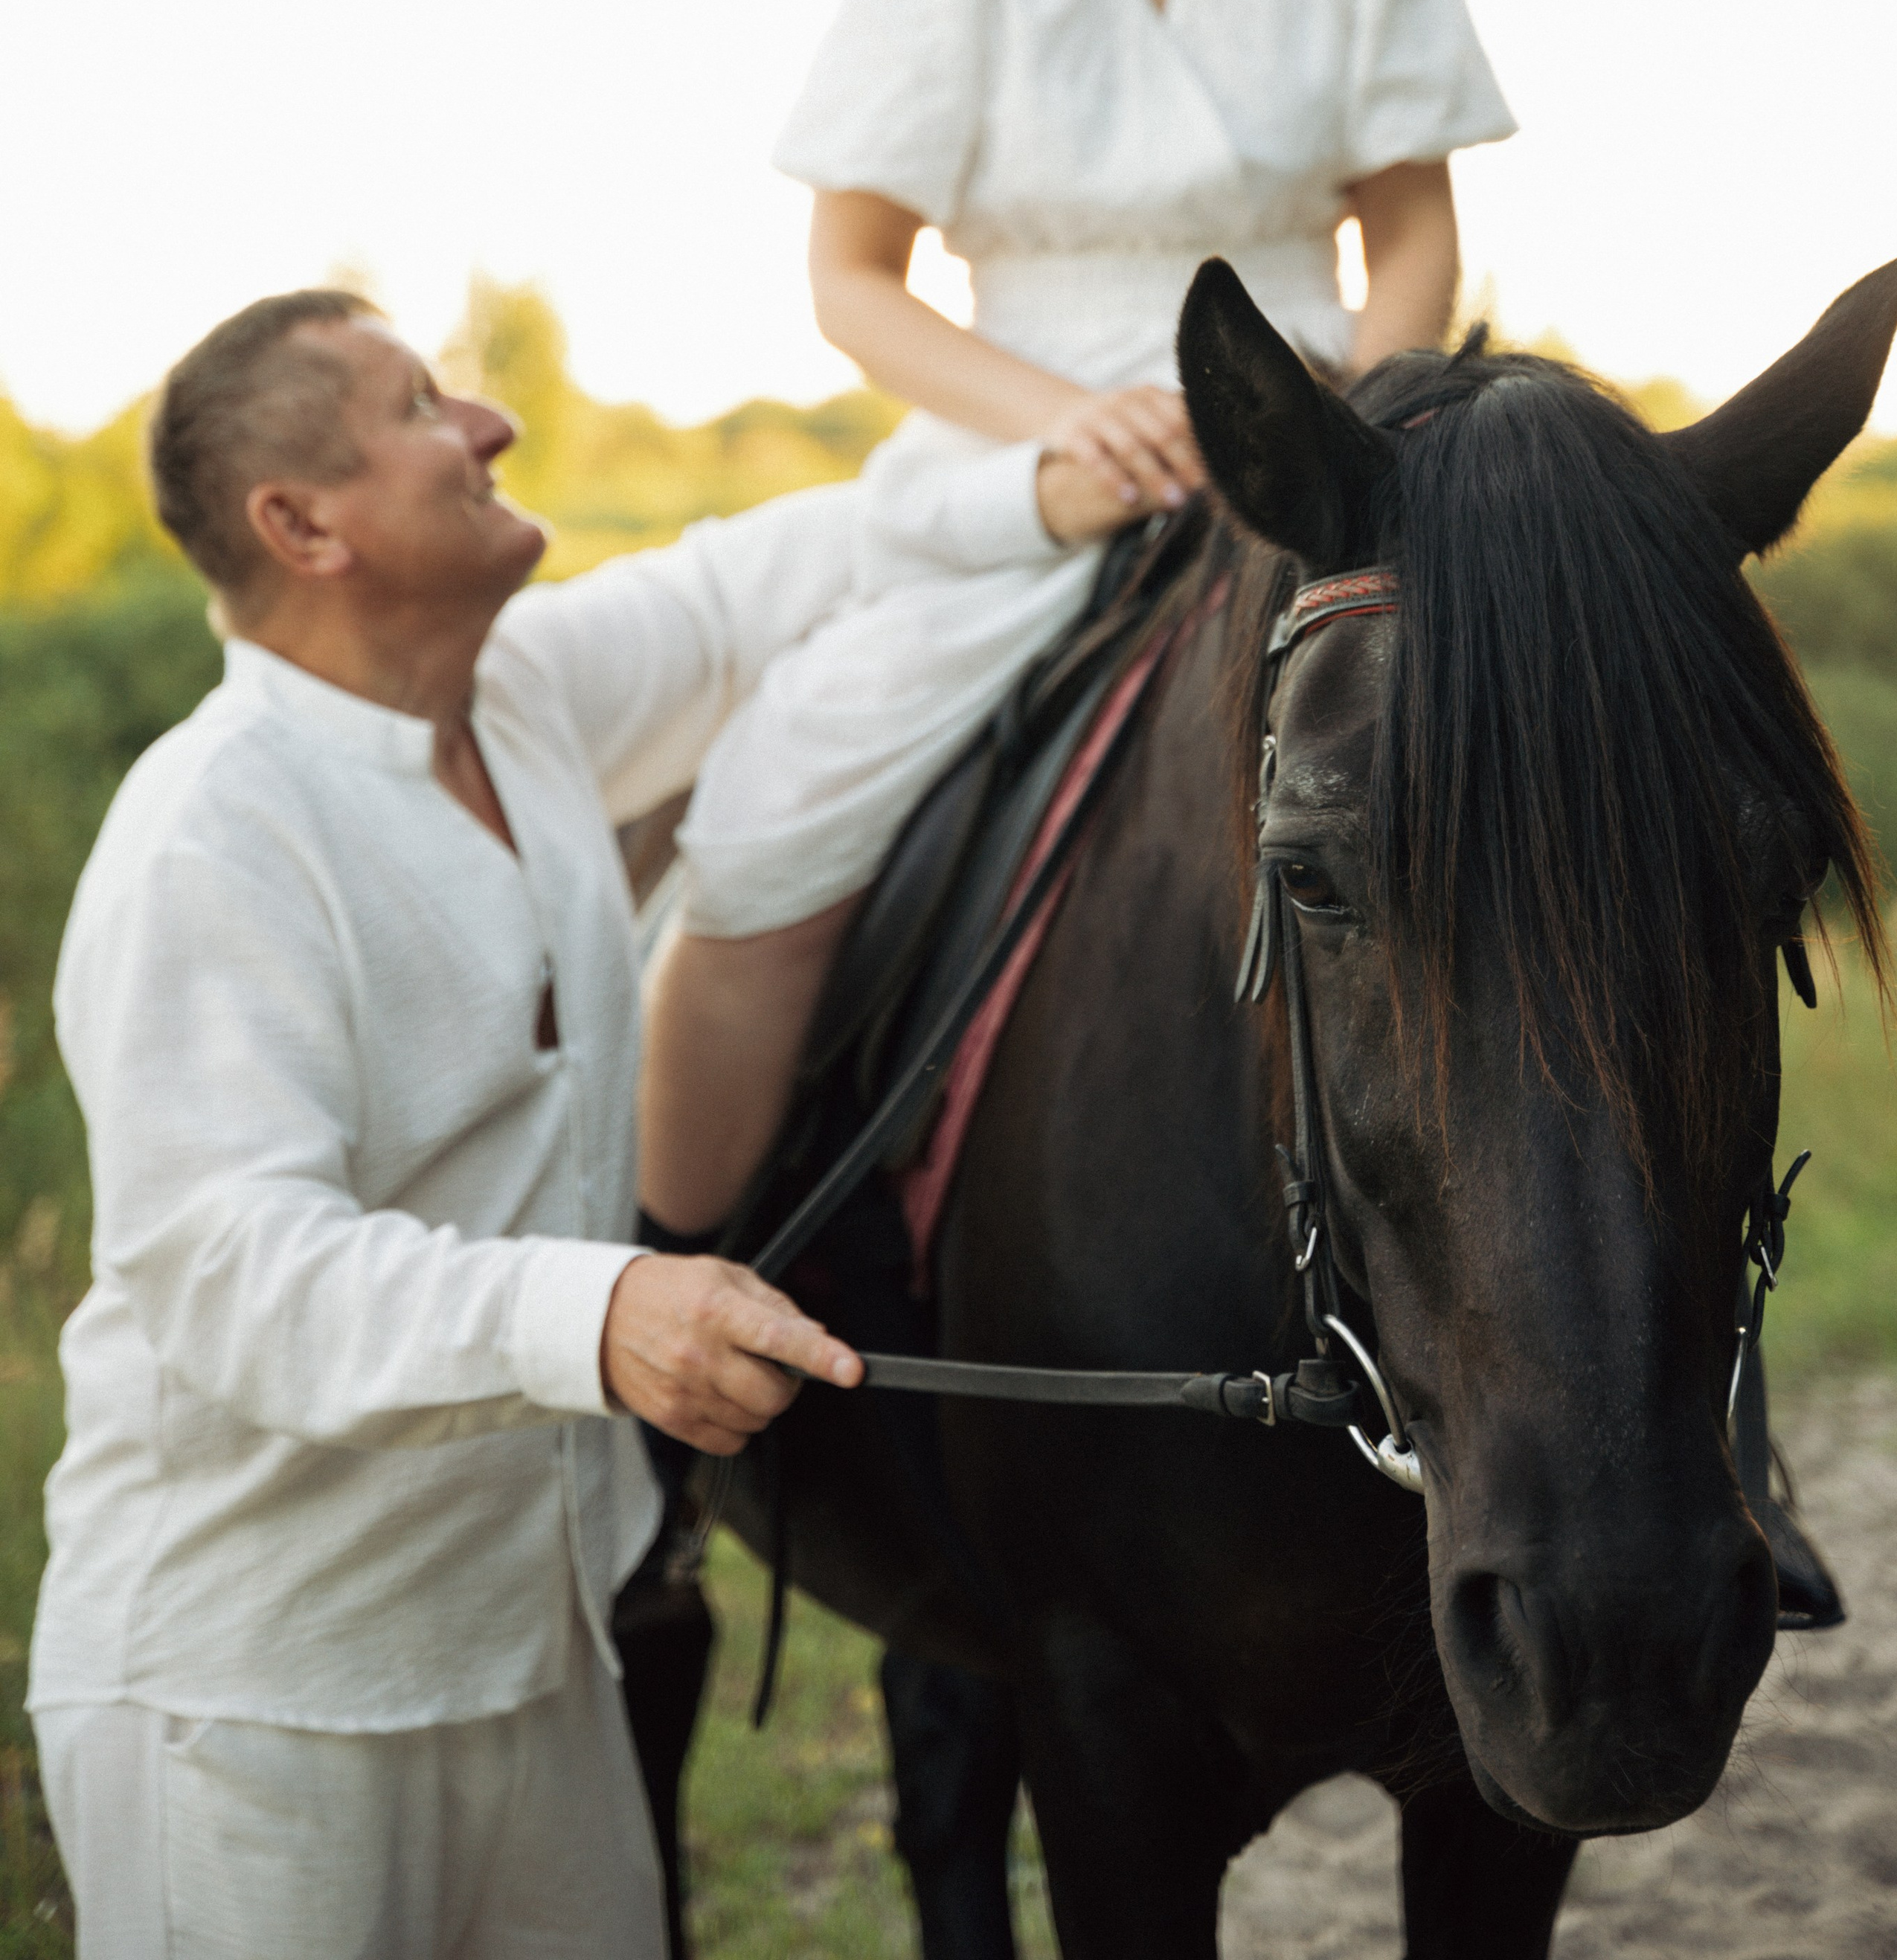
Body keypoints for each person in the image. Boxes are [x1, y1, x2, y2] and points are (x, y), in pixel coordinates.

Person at [27, 286, 1115, 1960]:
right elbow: (229, 1269)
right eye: (418, 406)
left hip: (539, 1659)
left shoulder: (519, 700)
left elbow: (750, 586)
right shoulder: (213, 831)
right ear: (302, 525)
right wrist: (598, 1313)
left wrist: (1061, 476)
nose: (491, 423)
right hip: (254, 1705)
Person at [639, 0, 1517, 1237]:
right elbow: (853, 280)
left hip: (1310, 444)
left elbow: (1409, 232)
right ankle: (682, 1297)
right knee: (761, 847)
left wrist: (1346, 446)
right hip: (1022, 457)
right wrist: (1071, 425)